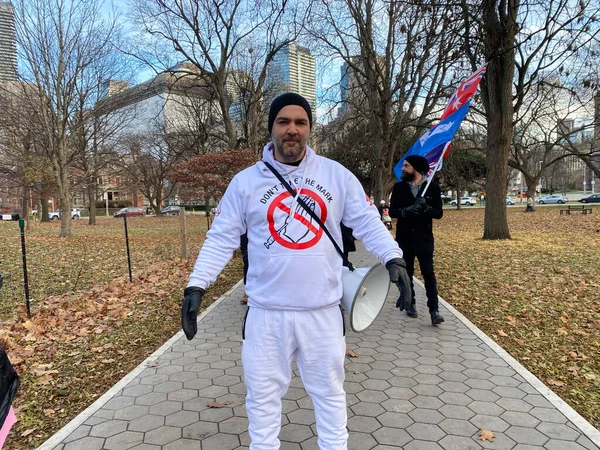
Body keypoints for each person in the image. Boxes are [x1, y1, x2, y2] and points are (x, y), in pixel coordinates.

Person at [181, 92, 413, 450]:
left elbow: (368, 223)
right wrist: (196, 286)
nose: (292, 130)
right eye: (284, 122)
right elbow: (220, 238)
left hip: (321, 313)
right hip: (265, 316)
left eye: (300, 122)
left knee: (330, 397)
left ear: (309, 129)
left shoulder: (336, 176)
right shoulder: (245, 183)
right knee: (261, 401)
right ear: (271, 127)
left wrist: (393, 259)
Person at [389, 155, 445, 325]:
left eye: (406, 166)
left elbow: (439, 213)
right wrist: (406, 210)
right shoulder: (399, 188)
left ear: (416, 169)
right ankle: (410, 303)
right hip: (405, 239)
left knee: (429, 274)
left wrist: (426, 208)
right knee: (408, 273)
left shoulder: (432, 188)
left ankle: (434, 310)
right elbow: (392, 212)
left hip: (424, 239)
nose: (402, 169)